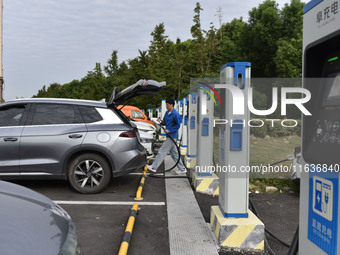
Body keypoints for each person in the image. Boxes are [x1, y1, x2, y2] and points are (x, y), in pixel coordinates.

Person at [147, 99, 187, 174]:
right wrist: (160, 121)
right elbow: (164, 122)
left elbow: (178, 125)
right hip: (168, 135)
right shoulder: (167, 113)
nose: (166, 106)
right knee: (174, 154)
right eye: (166, 104)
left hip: (172, 136)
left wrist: (170, 130)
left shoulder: (175, 114)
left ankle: (154, 167)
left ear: (171, 105)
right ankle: (182, 168)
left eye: (167, 104)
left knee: (161, 151)